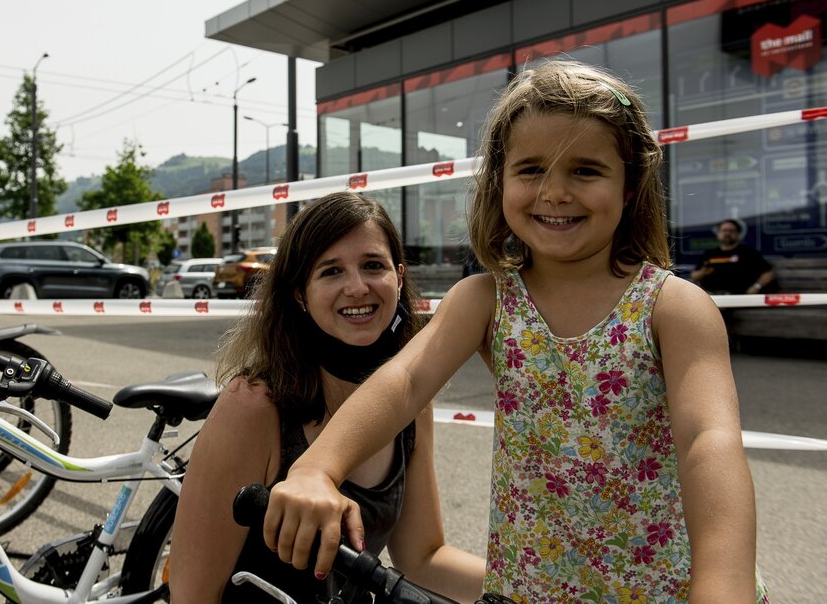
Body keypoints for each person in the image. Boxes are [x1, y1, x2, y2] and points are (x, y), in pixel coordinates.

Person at [262, 62, 770, 603]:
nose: (554, 192)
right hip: (531, 593)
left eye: (585, 170)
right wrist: (316, 468)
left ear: (629, 188)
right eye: (530, 170)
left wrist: (723, 586)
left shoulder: (673, 307)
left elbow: (707, 442)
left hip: (672, 592)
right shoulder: (485, 301)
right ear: (499, 182)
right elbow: (405, 381)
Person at [168, 191, 486, 603]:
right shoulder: (254, 406)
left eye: (373, 266)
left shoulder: (411, 405)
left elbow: (422, 558)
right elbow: (191, 597)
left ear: (400, 276)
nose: (357, 287)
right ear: (300, 293)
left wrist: (550, 589)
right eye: (331, 271)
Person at [691, 218, 775, 294]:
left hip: (739, 298)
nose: (727, 233)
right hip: (713, 297)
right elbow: (694, 276)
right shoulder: (709, 254)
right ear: (718, 233)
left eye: (731, 230)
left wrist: (756, 287)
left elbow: (769, 273)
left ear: (738, 234)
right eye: (724, 230)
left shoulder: (749, 253)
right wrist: (703, 272)